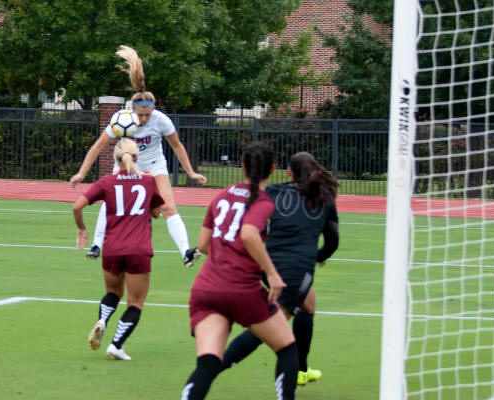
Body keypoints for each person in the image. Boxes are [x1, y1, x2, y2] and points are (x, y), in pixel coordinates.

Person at [70, 45, 207, 268]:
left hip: (154, 165)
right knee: (110, 201)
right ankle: (96, 244)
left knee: (168, 208)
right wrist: (81, 173)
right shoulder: (121, 120)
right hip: (126, 165)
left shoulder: (161, 120)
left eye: (147, 114)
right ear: (132, 109)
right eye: (140, 114)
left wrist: (191, 172)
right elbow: (97, 147)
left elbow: (177, 146)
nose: (144, 119)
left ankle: (186, 252)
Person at [181, 142, 298, 400]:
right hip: (242, 290)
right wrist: (272, 273)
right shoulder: (263, 202)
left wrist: (224, 259)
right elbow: (248, 234)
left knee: (208, 364)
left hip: (206, 289)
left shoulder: (222, 195)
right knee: (287, 349)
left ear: (243, 166)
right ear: (273, 169)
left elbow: (203, 244)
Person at [221, 151, 340, 385]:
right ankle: (214, 366)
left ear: (289, 172)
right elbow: (333, 241)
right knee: (268, 326)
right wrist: (320, 256)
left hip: (268, 265)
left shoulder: (274, 192)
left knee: (308, 304)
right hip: (296, 270)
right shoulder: (325, 196)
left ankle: (301, 370)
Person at [72, 138, 165, 360]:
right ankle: (116, 345)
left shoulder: (107, 182)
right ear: (137, 157)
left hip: (112, 248)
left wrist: (82, 228)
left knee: (113, 293)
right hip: (138, 249)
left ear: (115, 158)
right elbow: (156, 212)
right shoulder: (148, 181)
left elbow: (77, 206)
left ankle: (102, 320)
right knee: (135, 302)